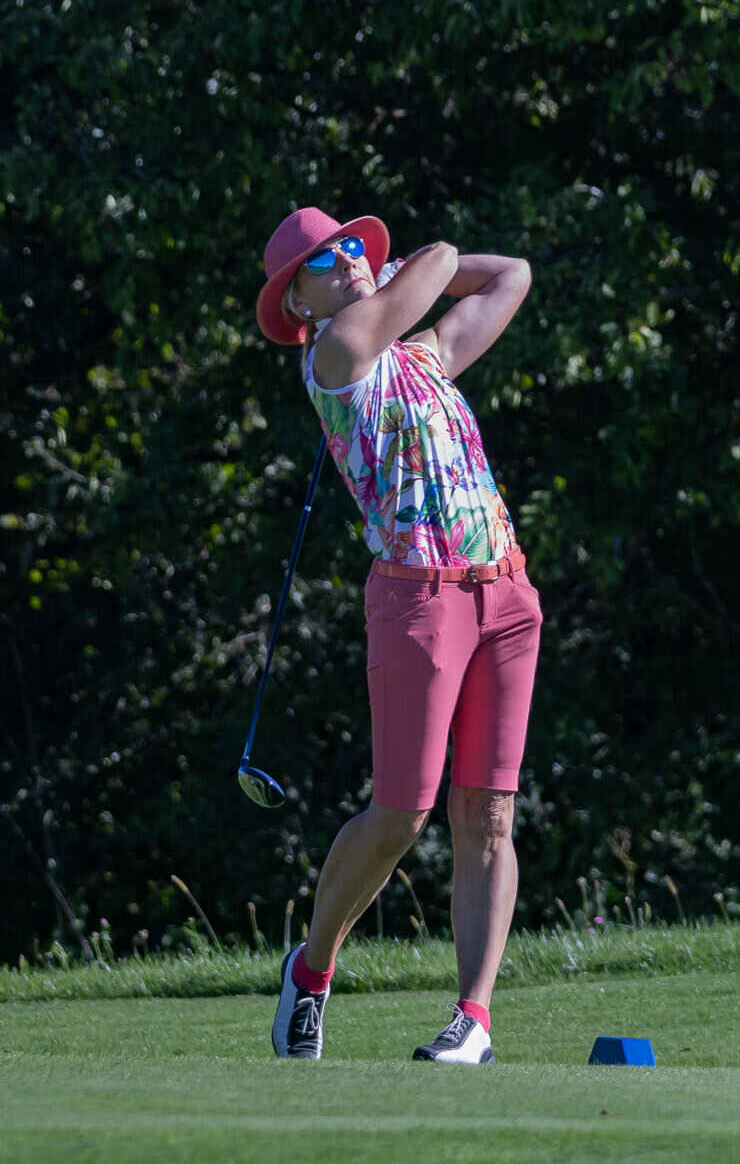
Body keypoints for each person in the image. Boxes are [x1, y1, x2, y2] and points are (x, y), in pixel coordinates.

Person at [254, 206, 541, 1064]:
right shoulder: (334, 358)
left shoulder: (426, 355)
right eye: (323, 261)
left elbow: (512, 274)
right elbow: (446, 256)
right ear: (298, 306)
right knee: (402, 813)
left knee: (489, 812)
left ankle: (474, 1019)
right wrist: (402, 265)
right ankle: (311, 970)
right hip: (417, 602)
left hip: (506, 594)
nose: (346, 259)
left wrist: (396, 270)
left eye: (351, 245)